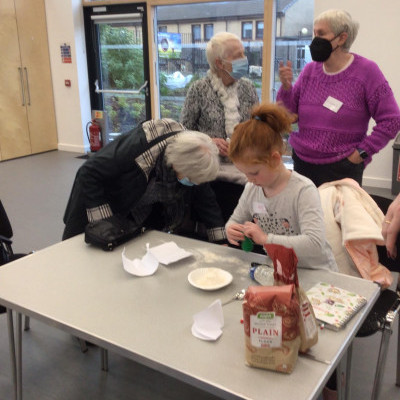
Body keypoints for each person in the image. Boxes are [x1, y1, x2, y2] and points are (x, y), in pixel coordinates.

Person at [277, 9, 400, 188]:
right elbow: (289, 116)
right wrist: (286, 88)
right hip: (303, 164)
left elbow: (392, 120)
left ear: (342, 38)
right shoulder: (310, 71)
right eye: (314, 33)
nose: (315, 39)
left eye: (321, 33)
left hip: (342, 169)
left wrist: (361, 154)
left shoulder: (366, 72)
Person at [62, 118, 226, 244]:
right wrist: (105, 224)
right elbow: (88, 172)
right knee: (80, 255)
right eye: (190, 179)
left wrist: (220, 240)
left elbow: (206, 198)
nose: (193, 184)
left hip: (134, 210)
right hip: (97, 199)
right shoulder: (141, 146)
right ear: (176, 163)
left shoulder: (192, 159)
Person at [225, 103, 337, 271]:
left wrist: (265, 239)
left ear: (275, 159)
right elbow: (235, 220)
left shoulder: (302, 190)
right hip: (280, 270)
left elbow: (314, 243)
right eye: (245, 173)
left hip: (315, 272)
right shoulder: (252, 188)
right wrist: (231, 229)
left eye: (254, 173)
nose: (249, 179)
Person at [180, 31, 259, 221]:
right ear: (219, 63)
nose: (244, 59)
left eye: (243, 53)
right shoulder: (199, 89)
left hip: (244, 173)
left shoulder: (248, 88)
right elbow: (182, 133)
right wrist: (208, 142)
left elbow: (258, 129)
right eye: (237, 55)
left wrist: (242, 143)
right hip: (210, 177)